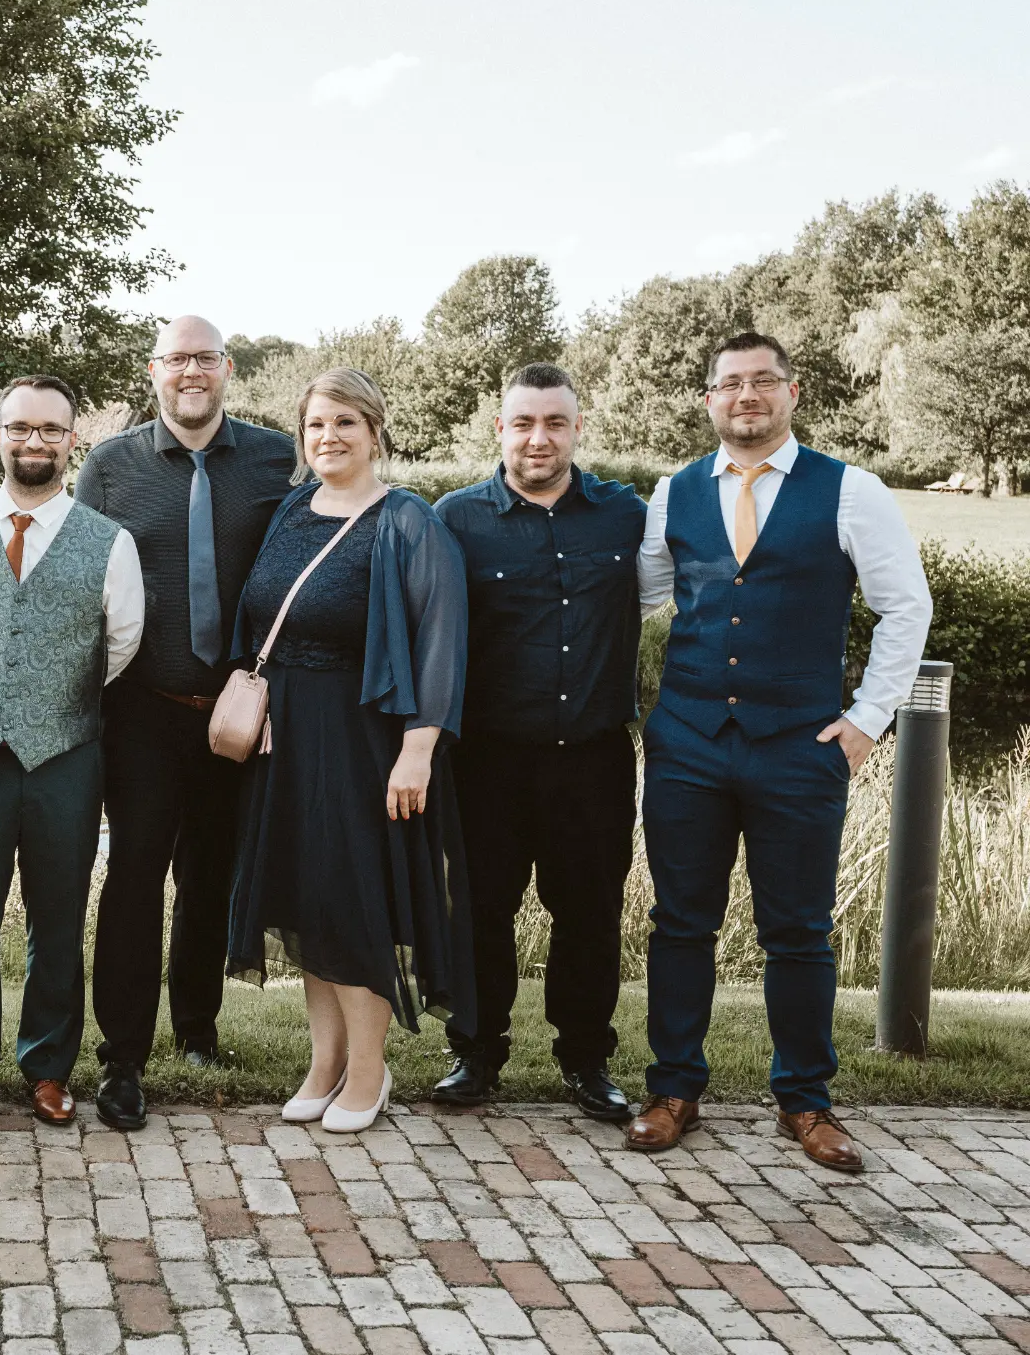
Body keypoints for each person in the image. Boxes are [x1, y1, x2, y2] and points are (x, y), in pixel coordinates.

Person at [630, 332, 931, 1171]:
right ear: (709, 400)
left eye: (764, 381)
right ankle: (673, 1089)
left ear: (792, 394)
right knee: (679, 923)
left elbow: (906, 607)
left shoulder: (851, 490)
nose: (747, 395)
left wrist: (868, 720)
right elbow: (650, 597)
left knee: (798, 929)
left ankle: (805, 1099)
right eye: (731, 383)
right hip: (687, 741)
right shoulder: (673, 493)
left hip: (801, 746)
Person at [224, 366, 473, 1133]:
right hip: (286, 737)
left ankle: (370, 1070)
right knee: (306, 897)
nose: (328, 438)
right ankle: (324, 1062)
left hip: (363, 735)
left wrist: (418, 749)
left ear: (374, 431)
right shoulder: (293, 508)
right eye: (316, 426)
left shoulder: (407, 520)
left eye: (344, 424)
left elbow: (441, 640)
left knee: (355, 901)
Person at [73, 315, 296, 1131]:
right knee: (134, 874)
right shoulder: (110, 464)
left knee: (211, 877)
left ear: (228, 368)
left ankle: (197, 1028)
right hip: (143, 710)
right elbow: (83, 586)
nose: (191, 372)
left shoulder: (276, 458)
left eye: (205, 358)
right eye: (177, 360)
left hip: (239, 712)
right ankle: (123, 1057)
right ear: (154, 371)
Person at [429, 364, 646, 1121]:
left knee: (589, 910)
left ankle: (586, 1061)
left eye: (555, 422)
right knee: (480, 908)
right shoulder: (455, 518)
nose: (539, 438)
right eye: (524, 422)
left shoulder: (625, 515)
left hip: (592, 755)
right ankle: (477, 1053)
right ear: (500, 429)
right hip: (486, 757)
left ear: (577, 427)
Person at [0, 375, 145, 1126]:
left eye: (50, 429)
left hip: (66, 755)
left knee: (59, 917)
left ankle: (48, 1066)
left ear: (71, 440)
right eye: (20, 427)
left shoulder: (108, 540)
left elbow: (120, 645)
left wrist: (57, 701)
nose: (34, 441)